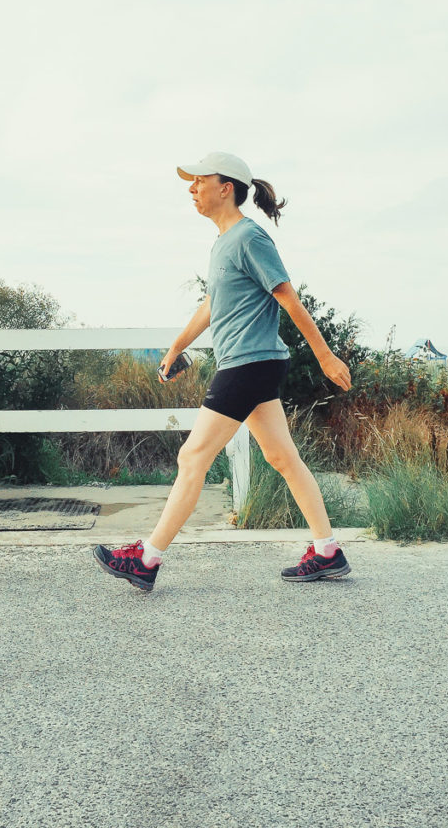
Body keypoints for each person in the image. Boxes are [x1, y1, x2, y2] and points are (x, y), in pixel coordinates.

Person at [93, 151, 353, 592]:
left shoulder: (251, 238)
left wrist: (326, 357)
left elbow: (288, 297)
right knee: (282, 458)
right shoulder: (224, 243)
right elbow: (214, 304)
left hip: (248, 364)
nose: (191, 189)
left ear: (226, 187)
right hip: (253, 362)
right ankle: (327, 551)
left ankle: (147, 560)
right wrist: (177, 345)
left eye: (199, 181)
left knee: (192, 457)